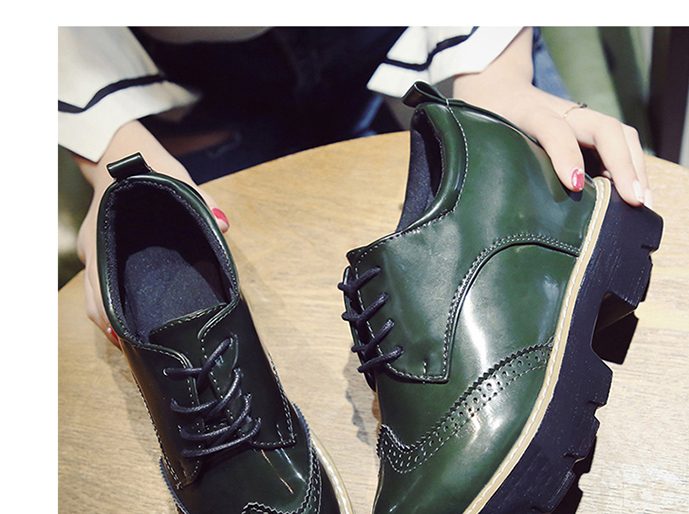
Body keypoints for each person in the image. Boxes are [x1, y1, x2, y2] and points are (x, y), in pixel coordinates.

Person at [59, 26, 651, 347]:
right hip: (186, 74)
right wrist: (108, 138)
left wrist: (494, 73)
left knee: (562, 214)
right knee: (188, 297)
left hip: (413, 28)